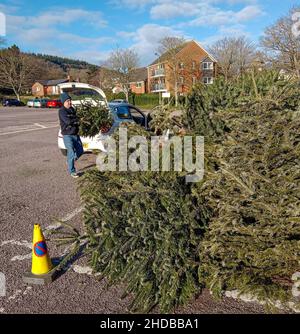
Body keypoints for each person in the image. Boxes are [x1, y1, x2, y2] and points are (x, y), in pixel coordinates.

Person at [58, 92, 83, 178]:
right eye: (68, 101)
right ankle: (72, 171)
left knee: (80, 151)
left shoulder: (72, 109)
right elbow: (68, 121)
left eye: (70, 100)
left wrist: (78, 120)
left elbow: (77, 118)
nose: (70, 102)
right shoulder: (62, 111)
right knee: (71, 151)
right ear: (63, 102)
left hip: (75, 134)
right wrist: (77, 120)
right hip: (67, 135)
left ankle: (70, 160)